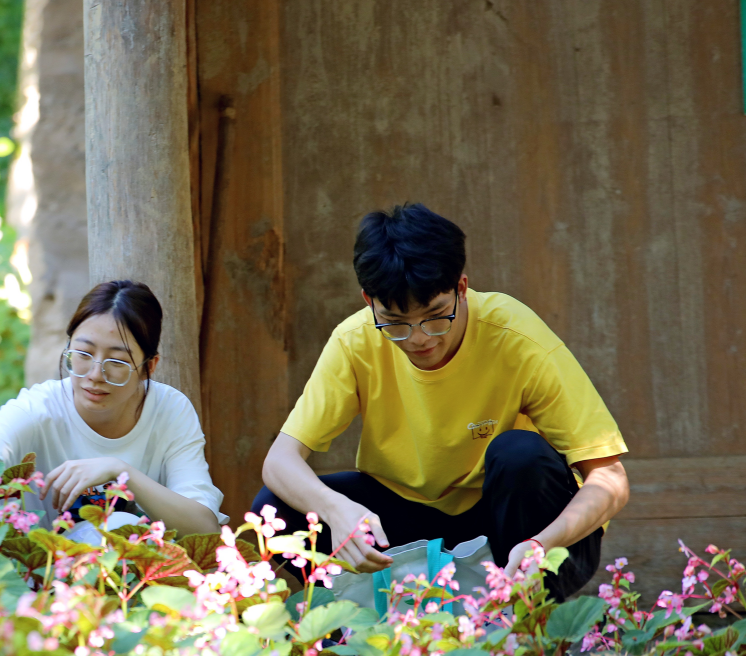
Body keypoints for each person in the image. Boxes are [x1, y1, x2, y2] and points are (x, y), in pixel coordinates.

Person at [254, 204, 629, 600]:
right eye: (396, 323)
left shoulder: (517, 337)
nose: (419, 338)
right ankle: (353, 632)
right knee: (277, 507)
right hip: (406, 517)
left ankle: (525, 622)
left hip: (510, 521)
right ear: (369, 301)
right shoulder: (355, 341)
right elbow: (280, 461)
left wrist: (543, 544)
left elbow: (610, 479)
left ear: (461, 288)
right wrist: (333, 509)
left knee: (522, 455)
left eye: (435, 316)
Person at [0, 280, 223, 537]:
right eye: (83, 354)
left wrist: (121, 471)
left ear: (148, 367)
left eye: (116, 362)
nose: (95, 375)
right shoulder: (42, 408)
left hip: (141, 590)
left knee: (118, 526)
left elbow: (204, 528)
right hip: (48, 586)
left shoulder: (170, 411)